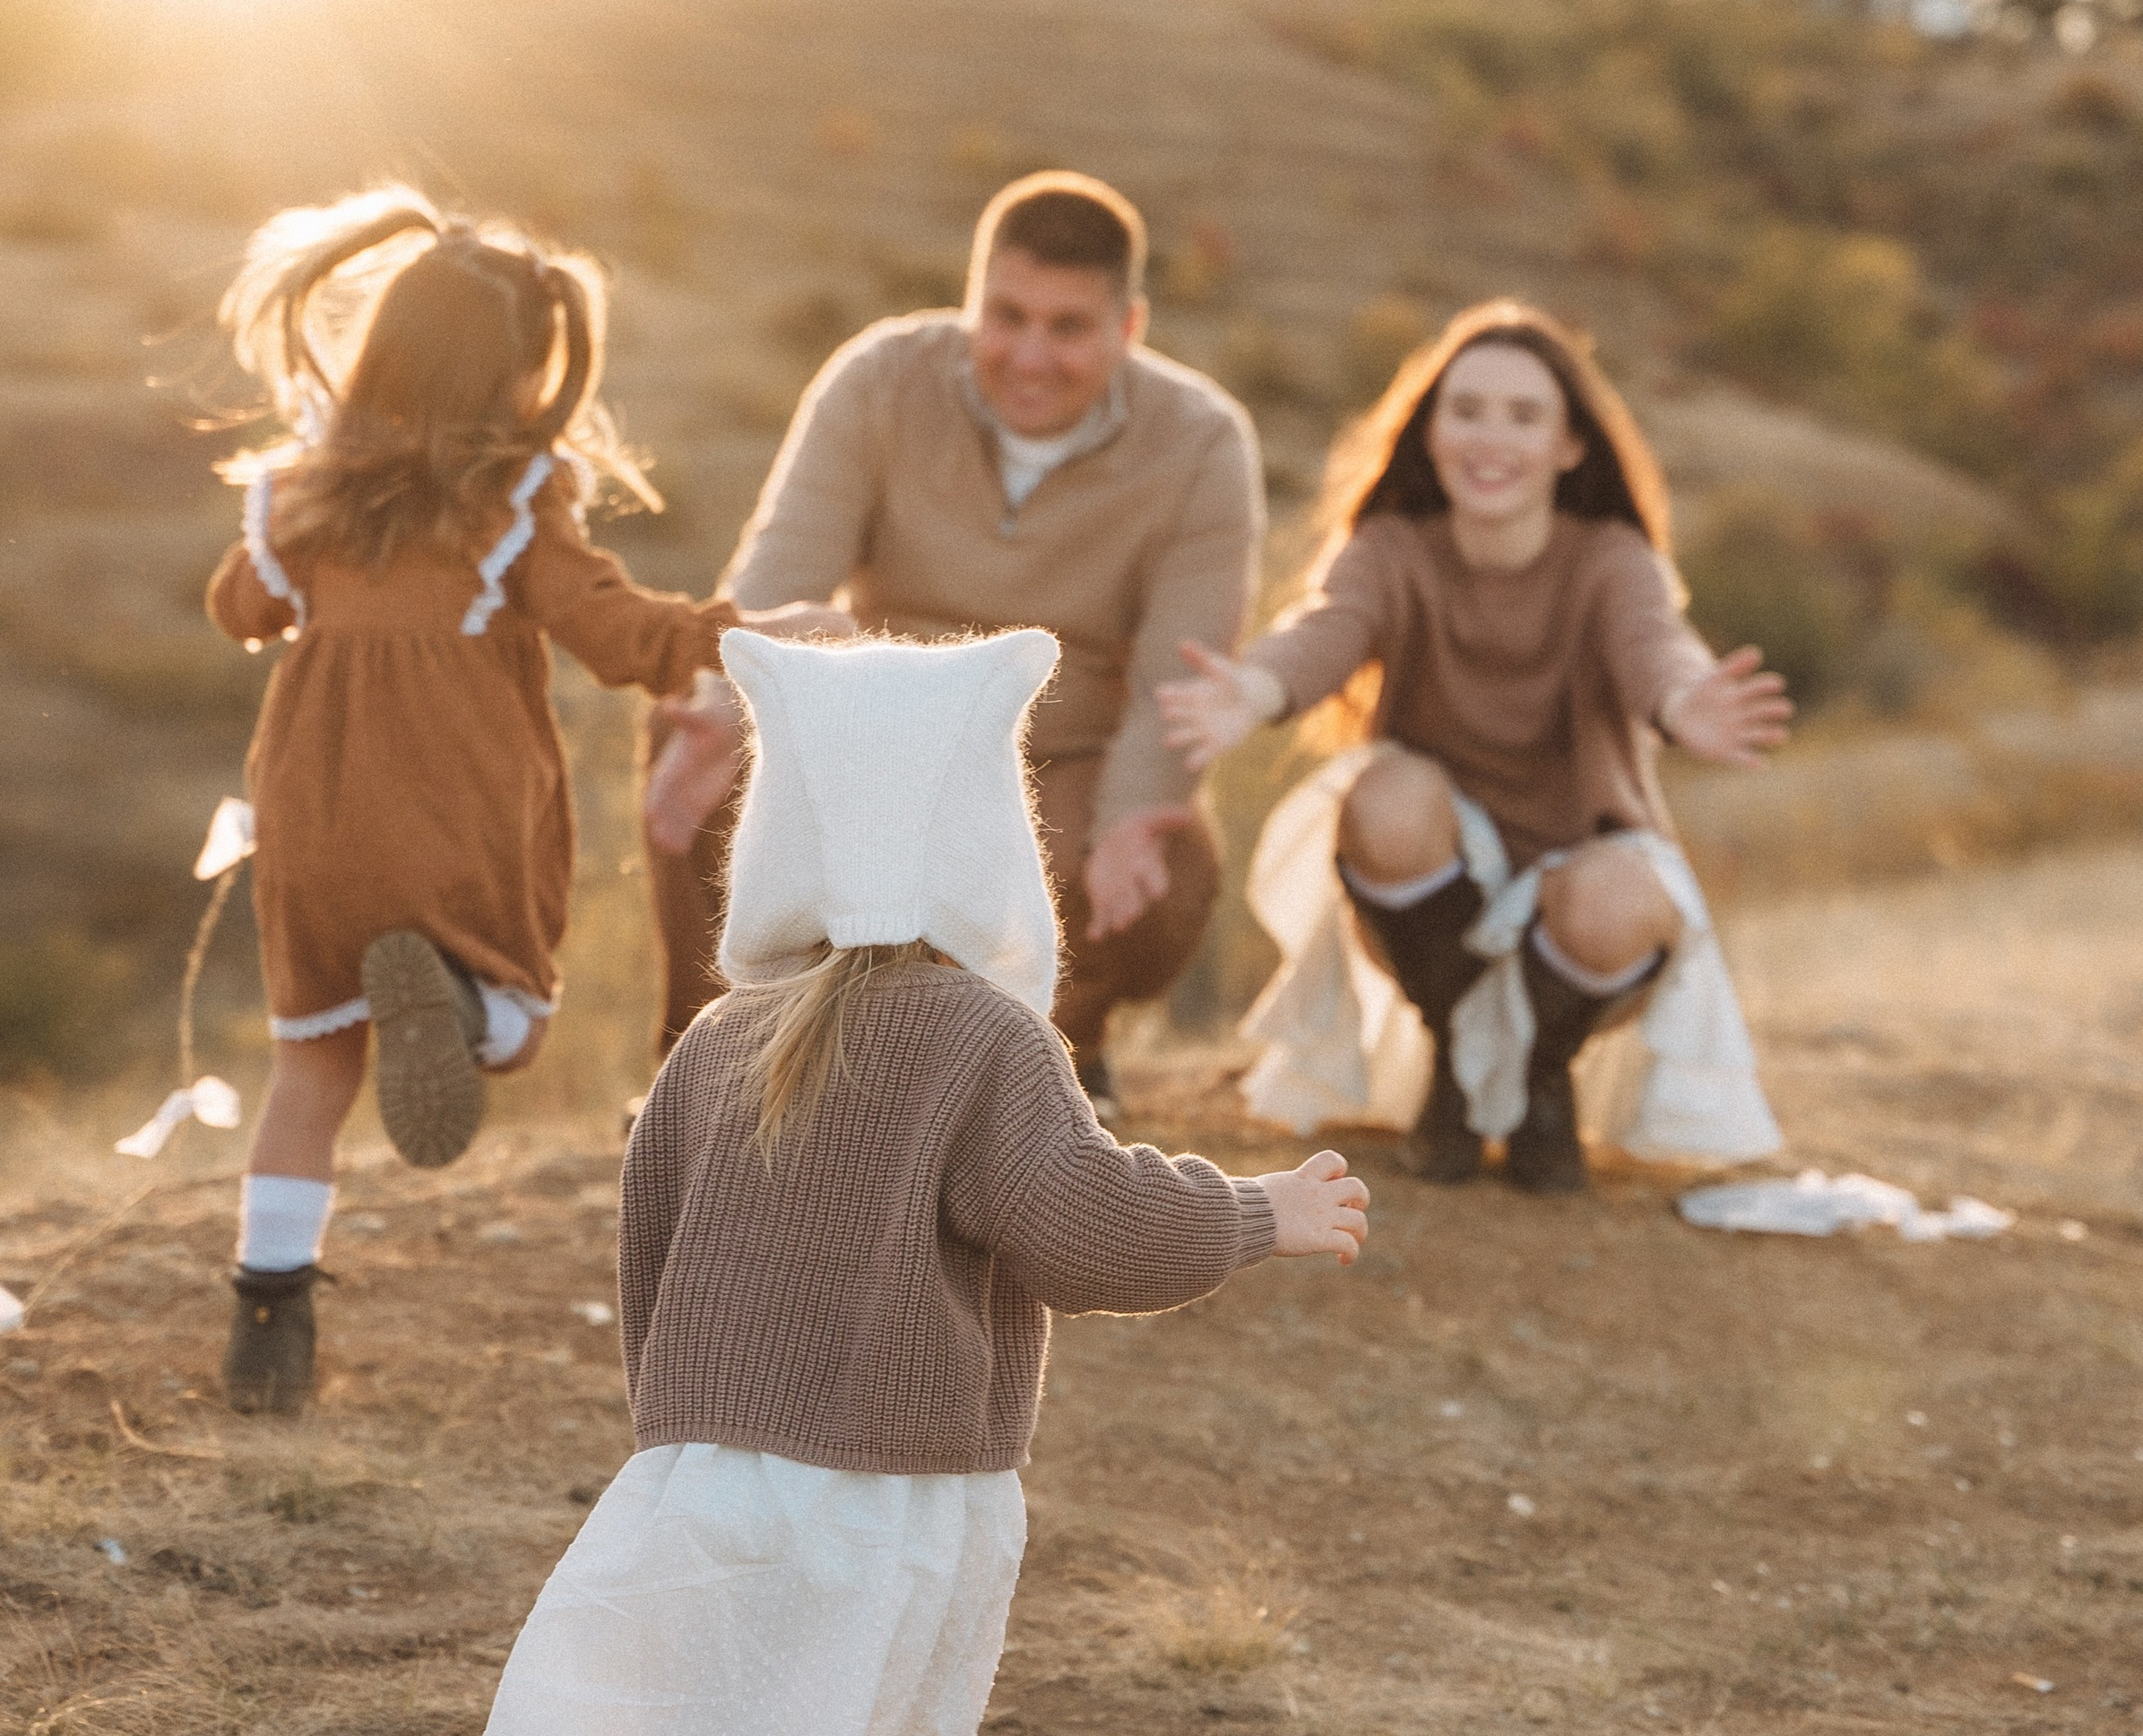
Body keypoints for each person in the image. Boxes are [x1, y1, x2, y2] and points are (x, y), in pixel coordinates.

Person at [471, 626, 1368, 1736]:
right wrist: (1258, 1213)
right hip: (898, 1499)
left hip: (707, 1475)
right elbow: (1083, 1227)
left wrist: (678, 1445)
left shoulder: (715, 1041)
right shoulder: (984, 1041)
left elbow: (649, 1254)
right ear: (984, 840)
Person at [203, 189, 825, 1419]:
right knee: (521, 1018)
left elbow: (239, 606)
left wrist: (305, 567)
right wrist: (754, 632)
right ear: (518, 379)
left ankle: (267, 1319)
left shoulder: (300, 495)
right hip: (455, 805)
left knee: (311, 1071)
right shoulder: (515, 502)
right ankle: (466, 1004)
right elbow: (617, 632)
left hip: (318, 815)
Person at [640, 171, 1264, 1113]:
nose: (1028, 354)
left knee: (1165, 854)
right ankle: (718, 1069)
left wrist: (1136, 815)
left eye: (1068, 327)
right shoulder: (879, 377)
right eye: (1005, 316)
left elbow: (1176, 683)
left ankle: (1048, 1065)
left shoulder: (1203, 441)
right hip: (873, 727)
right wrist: (724, 706)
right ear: (970, 303)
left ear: (1128, 328)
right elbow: (777, 581)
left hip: (1058, 753)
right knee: (691, 722)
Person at [1158, 301, 1790, 1193]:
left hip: (1580, 885)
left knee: (1616, 897)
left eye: (1524, 416)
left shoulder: (1610, 558)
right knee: (1382, 794)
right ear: (1429, 431)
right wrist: (1253, 690)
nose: (1489, 439)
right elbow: (1326, 628)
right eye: (1466, 410)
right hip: (1435, 873)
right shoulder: (1392, 549)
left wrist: (1686, 703)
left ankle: (1534, 1076)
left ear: (1571, 446)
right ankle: (1460, 1056)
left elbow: (1656, 645)